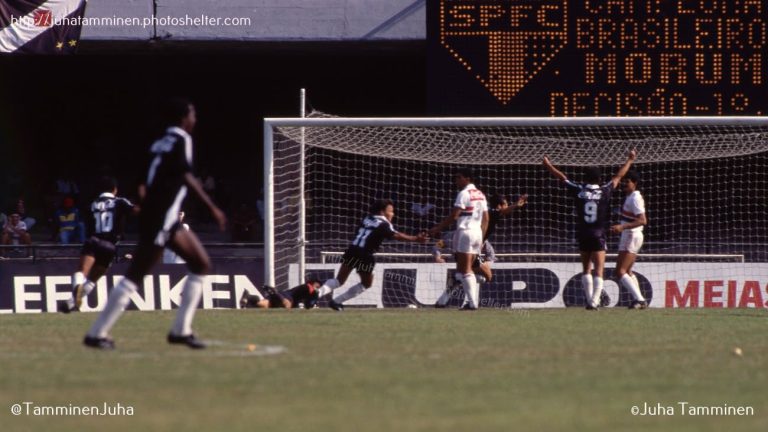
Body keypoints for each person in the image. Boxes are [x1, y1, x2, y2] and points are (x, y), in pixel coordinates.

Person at [83, 98, 227, 350]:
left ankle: (181, 331)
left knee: (201, 264)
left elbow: (140, 182)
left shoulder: (158, 143)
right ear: (184, 117)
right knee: (135, 275)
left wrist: (148, 205)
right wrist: (211, 206)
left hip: (163, 217)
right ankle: (96, 333)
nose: (195, 119)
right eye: (192, 114)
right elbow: (185, 175)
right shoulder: (183, 139)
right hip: (162, 217)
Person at [542, 149, 637, 310]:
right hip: (598, 234)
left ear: (585, 178)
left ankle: (589, 301)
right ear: (599, 178)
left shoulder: (579, 190)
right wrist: (630, 160)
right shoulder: (604, 190)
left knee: (586, 268)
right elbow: (618, 176)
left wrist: (548, 165)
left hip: (582, 233)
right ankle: (594, 302)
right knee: (599, 270)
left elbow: (562, 178)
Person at [316, 199, 427, 311]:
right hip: (365, 256)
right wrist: (416, 239)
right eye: (391, 211)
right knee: (366, 283)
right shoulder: (384, 224)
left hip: (352, 251)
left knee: (339, 280)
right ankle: (336, 301)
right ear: (382, 212)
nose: (393, 214)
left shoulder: (367, 218)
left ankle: (316, 294)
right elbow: (396, 235)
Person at [433, 192, 527, 308]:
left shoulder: (483, 217)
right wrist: (516, 205)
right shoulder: (492, 212)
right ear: (499, 205)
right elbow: (438, 245)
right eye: (506, 204)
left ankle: (446, 298)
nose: (507, 206)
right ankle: (469, 301)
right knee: (485, 276)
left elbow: (491, 254)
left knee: (478, 276)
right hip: (468, 248)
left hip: (467, 248)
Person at [60, 177, 137, 313]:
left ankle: (76, 290)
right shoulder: (120, 202)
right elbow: (135, 211)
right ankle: (72, 303)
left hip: (94, 241)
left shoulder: (92, 204)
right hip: (110, 246)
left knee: (81, 271)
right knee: (92, 280)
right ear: (115, 190)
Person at [428, 168, 488, 310]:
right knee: (461, 270)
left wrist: (437, 228)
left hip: (465, 232)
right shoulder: (480, 194)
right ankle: (443, 301)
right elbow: (486, 218)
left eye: (459, 177)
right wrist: (482, 237)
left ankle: (473, 304)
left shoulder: (463, 194)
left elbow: (454, 216)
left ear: (467, 179)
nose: (456, 180)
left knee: (465, 270)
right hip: (477, 233)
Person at [610, 170, 648, 309]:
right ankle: (639, 300)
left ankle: (640, 300)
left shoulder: (635, 198)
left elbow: (643, 220)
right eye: (623, 181)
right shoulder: (630, 196)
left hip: (633, 235)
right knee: (627, 271)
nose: (624, 184)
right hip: (629, 235)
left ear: (635, 183)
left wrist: (622, 226)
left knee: (620, 271)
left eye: (627, 182)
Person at [240, 280, 322, 309]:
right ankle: (275, 293)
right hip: (287, 297)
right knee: (287, 305)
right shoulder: (308, 287)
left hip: (281, 296)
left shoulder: (308, 290)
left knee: (263, 304)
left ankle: (248, 297)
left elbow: (308, 306)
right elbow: (309, 304)